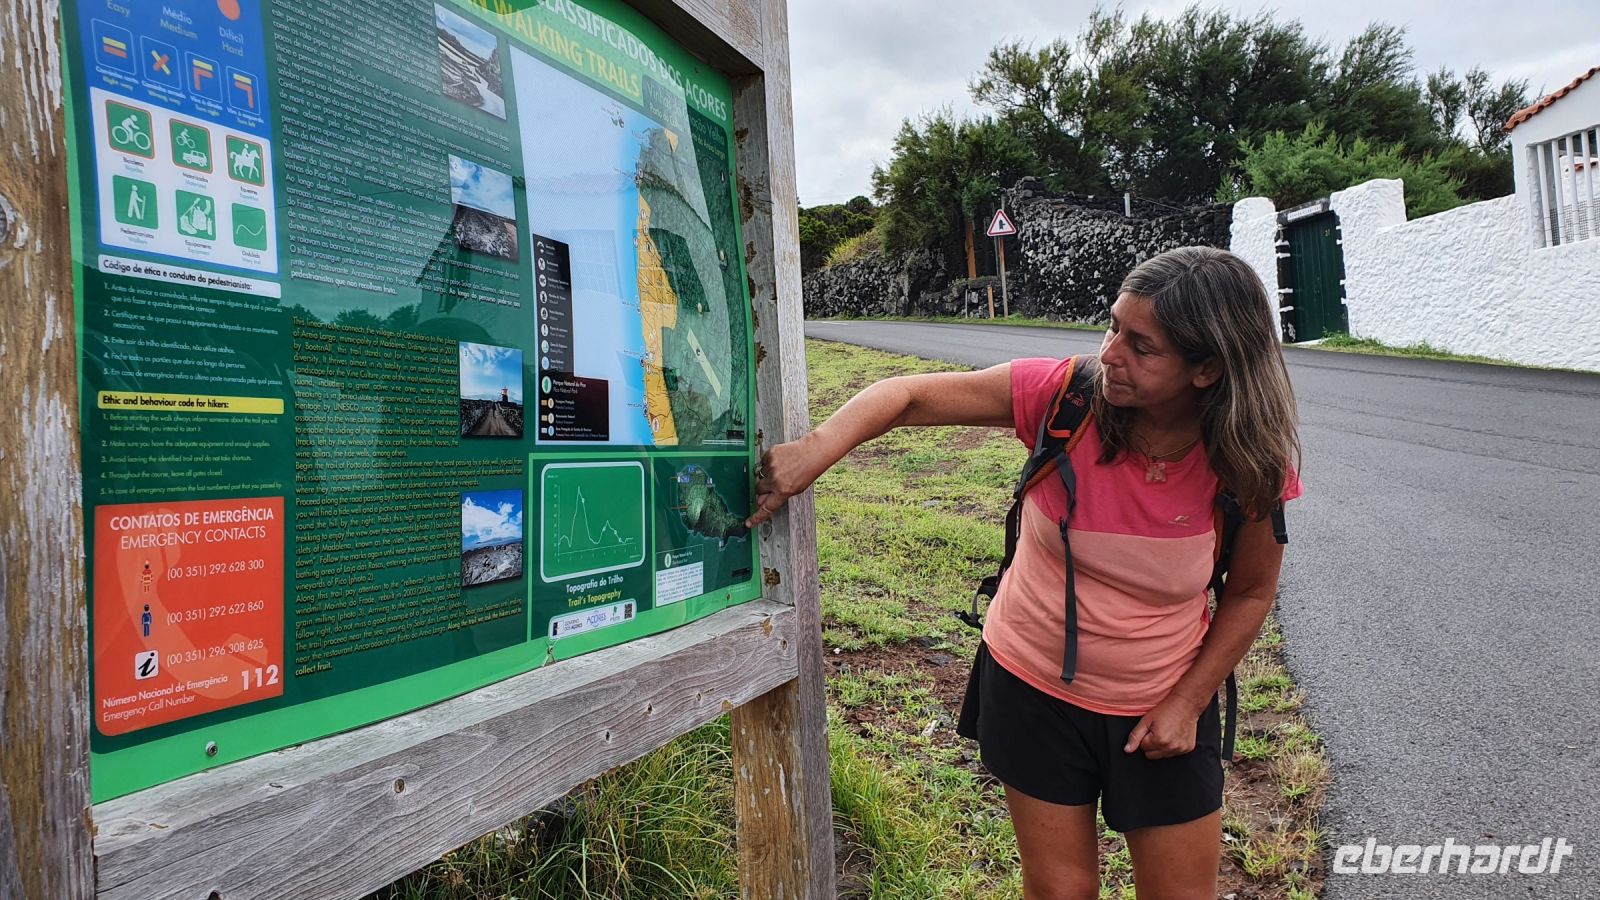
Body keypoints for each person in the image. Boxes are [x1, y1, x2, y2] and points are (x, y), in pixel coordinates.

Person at [745, 246, 1302, 898]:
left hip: (1164, 702)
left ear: (1206, 369)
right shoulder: (1067, 396)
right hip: (1032, 688)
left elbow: (1253, 591)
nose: (1110, 352)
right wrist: (812, 453)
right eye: (1114, 325)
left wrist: (1187, 701)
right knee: (1059, 891)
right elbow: (907, 397)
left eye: (1141, 346)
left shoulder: (1246, 460)